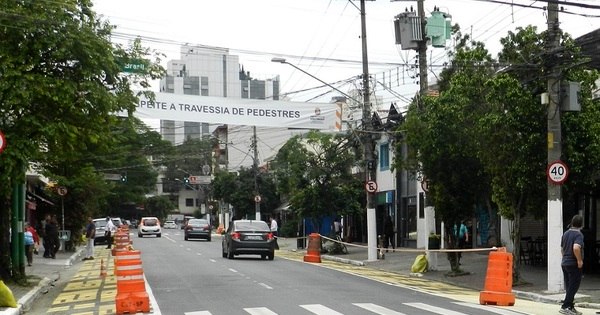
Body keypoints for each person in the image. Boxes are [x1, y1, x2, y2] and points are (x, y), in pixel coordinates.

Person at [560, 214, 584, 315]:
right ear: (581, 224)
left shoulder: (565, 233)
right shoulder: (578, 234)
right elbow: (576, 247)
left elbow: (562, 249)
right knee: (574, 286)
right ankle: (565, 306)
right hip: (573, 263)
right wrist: (579, 260)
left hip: (565, 262)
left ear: (572, 223)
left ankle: (570, 306)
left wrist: (565, 258)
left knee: (569, 286)